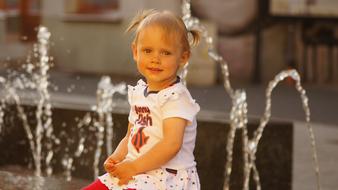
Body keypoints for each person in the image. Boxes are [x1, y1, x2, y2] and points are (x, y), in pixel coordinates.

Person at [83, 9, 201, 190]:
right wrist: (118, 156)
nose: (155, 59)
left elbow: (171, 144)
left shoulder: (175, 97)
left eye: (166, 53)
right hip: (138, 170)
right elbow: (131, 135)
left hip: (166, 176)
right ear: (135, 51)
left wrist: (134, 167)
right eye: (147, 50)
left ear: (183, 57)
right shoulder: (139, 92)